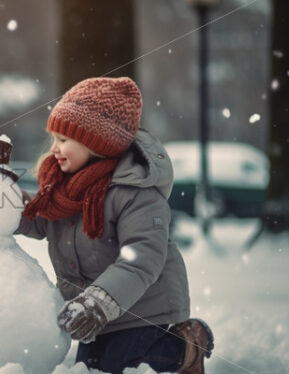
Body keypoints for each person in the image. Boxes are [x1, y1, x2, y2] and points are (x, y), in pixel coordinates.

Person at [17, 77, 215, 374]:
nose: (55, 149)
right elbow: (38, 217)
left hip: (144, 307)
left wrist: (100, 302)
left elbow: (142, 257)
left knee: (121, 367)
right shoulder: (63, 189)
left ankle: (186, 345)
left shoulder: (135, 191)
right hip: (95, 312)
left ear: (96, 143)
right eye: (54, 139)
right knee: (87, 368)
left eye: (64, 140)